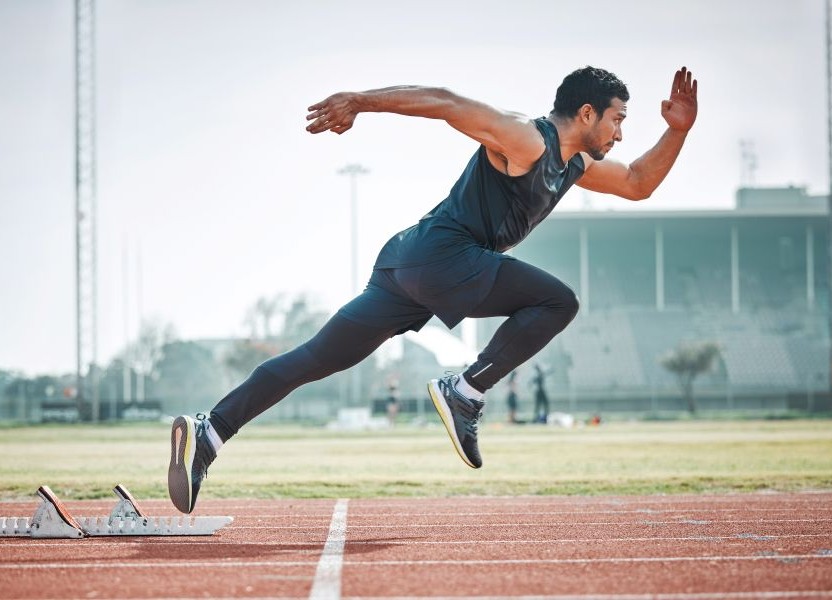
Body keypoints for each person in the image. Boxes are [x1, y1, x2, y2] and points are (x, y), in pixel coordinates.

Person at [167, 66, 698, 513]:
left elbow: (636, 183)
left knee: (314, 359)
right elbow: (445, 102)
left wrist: (678, 131)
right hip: (445, 257)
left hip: (411, 265)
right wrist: (359, 101)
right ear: (587, 114)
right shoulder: (526, 139)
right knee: (558, 300)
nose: (621, 134)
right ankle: (463, 392)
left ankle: (209, 432)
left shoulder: (574, 163)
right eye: (618, 119)